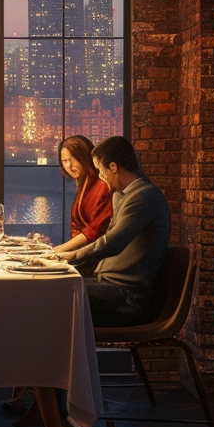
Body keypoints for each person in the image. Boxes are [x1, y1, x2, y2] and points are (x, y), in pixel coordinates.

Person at [64, 135, 170, 327]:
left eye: (100, 170)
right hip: (109, 285)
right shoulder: (125, 195)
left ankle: (67, 357)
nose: (100, 176)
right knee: (56, 288)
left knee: (57, 292)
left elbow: (111, 243)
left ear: (113, 167)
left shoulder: (144, 196)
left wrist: (66, 257)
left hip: (126, 296)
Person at [53, 135, 113, 254]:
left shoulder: (101, 186)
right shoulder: (84, 184)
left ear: (85, 157)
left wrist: (60, 249)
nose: (69, 166)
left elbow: (95, 229)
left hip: (96, 255)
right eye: (65, 161)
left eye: (73, 158)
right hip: (81, 253)